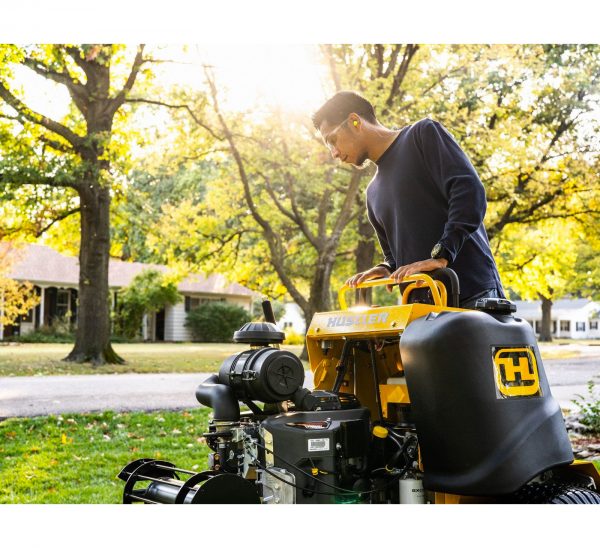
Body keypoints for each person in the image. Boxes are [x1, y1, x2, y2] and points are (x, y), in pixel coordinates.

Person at [312, 91, 505, 308]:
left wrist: (443, 254)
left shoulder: (422, 135)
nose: (334, 153)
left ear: (355, 121)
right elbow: (396, 257)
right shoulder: (373, 193)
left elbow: (469, 192)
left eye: (332, 140)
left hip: (472, 296)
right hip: (420, 311)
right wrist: (386, 268)